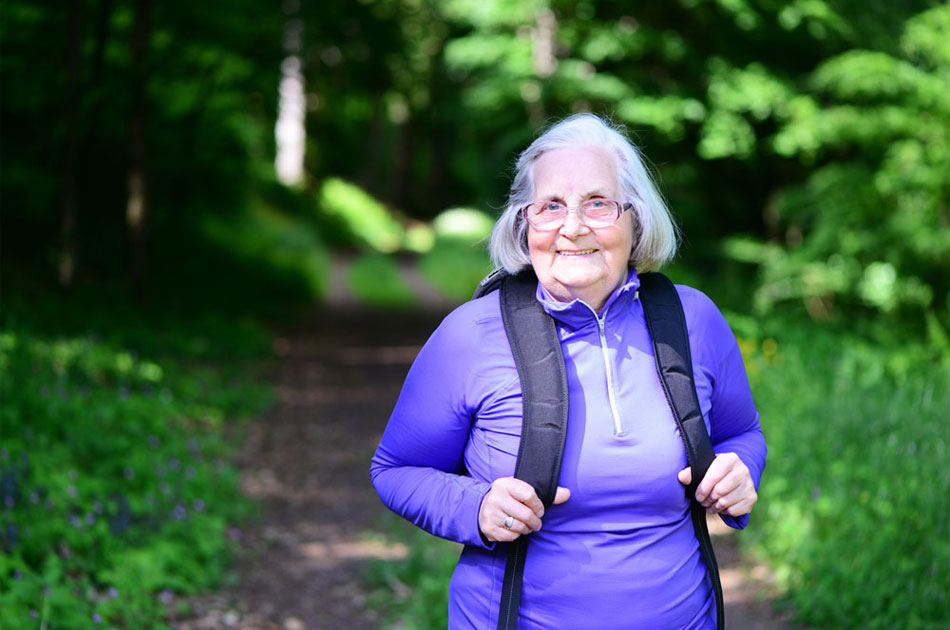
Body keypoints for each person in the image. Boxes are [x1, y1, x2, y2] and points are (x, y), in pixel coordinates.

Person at [370, 113, 766, 630]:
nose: (573, 227)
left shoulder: (692, 320)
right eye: (550, 206)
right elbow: (395, 470)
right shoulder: (470, 334)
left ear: (636, 219)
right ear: (523, 223)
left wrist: (739, 470)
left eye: (598, 204)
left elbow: (743, 432)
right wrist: (476, 508)